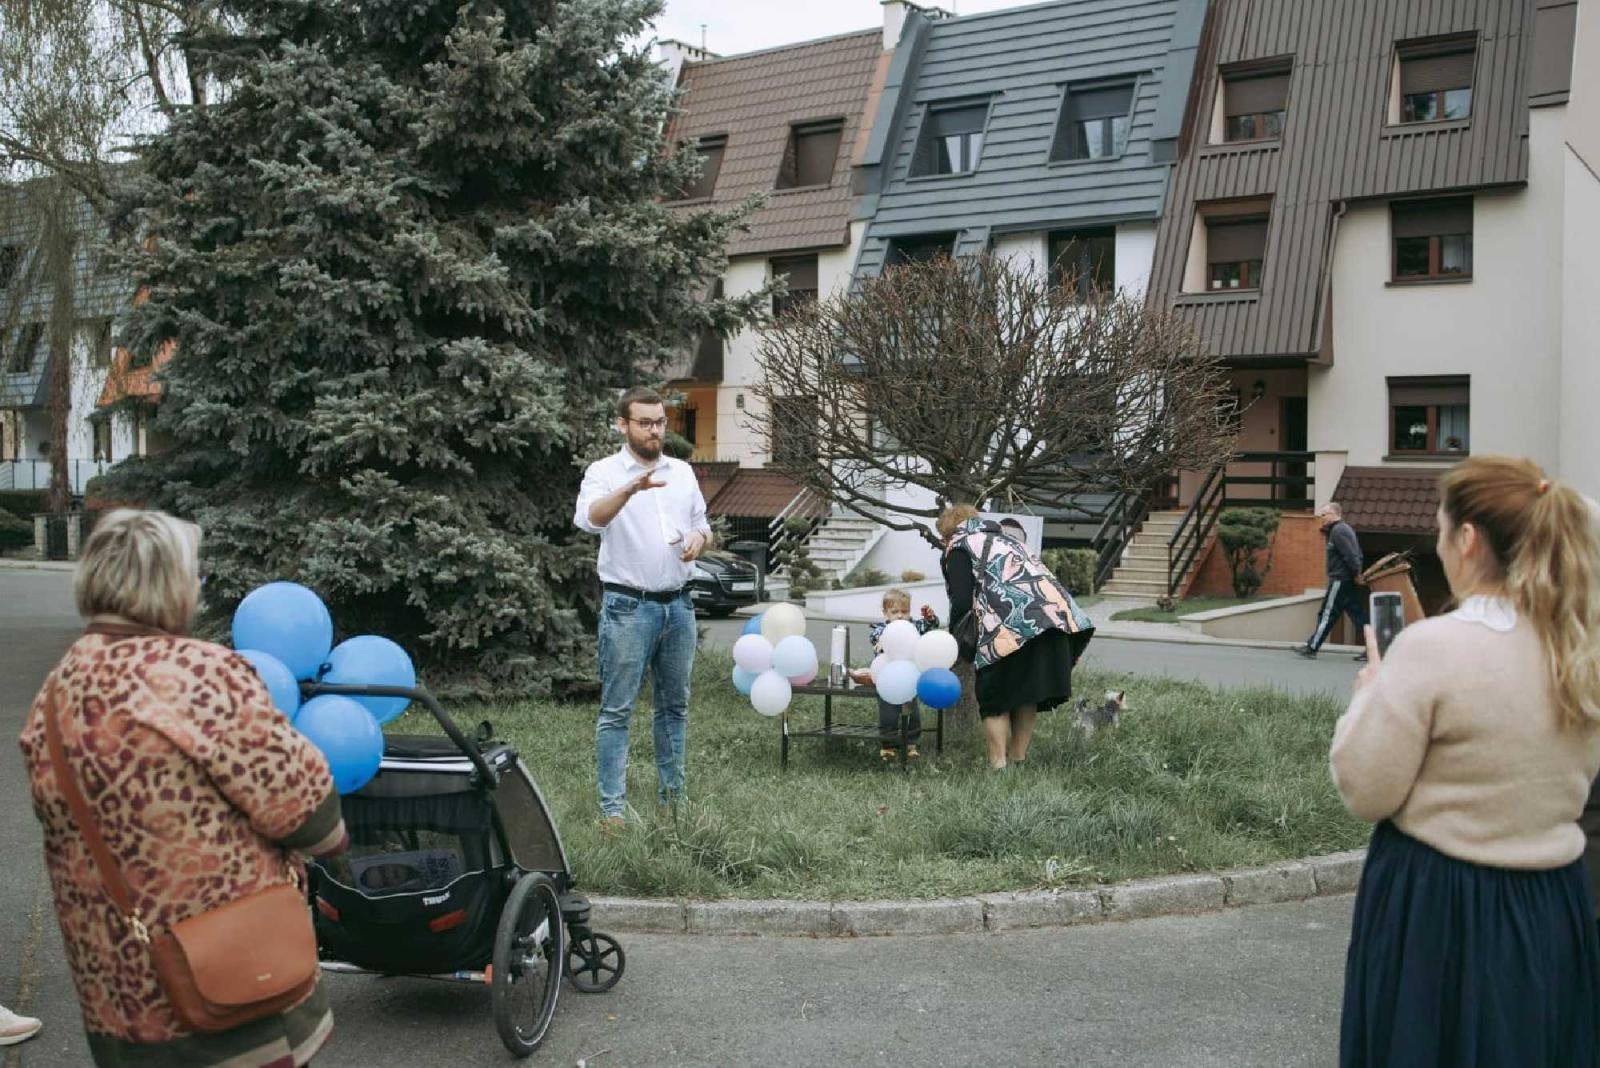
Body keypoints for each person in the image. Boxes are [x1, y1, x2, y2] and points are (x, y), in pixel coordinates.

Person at [17, 509, 348, 1068]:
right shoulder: (199, 673)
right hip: (231, 985)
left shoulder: (55, 692)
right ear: (171, 583)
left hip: (119, 999)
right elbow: (302, 807)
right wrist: (332, 843)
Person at [1329, 456, 1600, 1067]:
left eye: (1442, 529)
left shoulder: (1432, 648)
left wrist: (1371, 692)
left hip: (1438, 903)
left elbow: (1366, 789)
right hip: (1552, 901)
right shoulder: (1578, 647)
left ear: (1469, 539)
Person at [574, 386, 711, 829]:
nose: (655, 431)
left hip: (679, 606)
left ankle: (674, 803)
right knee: (618, 711)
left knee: (674, 708)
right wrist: (630, 488)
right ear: (623, 424)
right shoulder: (604, 471)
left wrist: (699, 539)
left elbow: (702, 525)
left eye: (660, 422)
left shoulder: (682, 472)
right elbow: (590, 519)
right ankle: (612, 811)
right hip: (628, 608)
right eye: (645, 423)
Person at [939, 505, 1094, 770]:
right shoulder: (1008, 540)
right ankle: (1018, 760)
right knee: (1026, 693)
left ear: (948, 531)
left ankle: (998, 765)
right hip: (1053, 623)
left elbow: (962, 600)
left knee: (994, 698)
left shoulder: (960, 546)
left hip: (1008, 628)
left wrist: (956, 637)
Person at [850, 589, 940, 761]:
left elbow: (931, 626)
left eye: (904, 611)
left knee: (912, 713)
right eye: (894, 611)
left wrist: (930, 618)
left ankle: (911, 743)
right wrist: (884, 639)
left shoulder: (913, 627)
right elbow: (876, 638)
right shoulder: (880, 630)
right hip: (887, 680)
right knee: (888, 715)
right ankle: (888, 745)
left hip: (909, 679)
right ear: (886, 613)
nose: (900, 615)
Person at [1297, 501, 1368, 660]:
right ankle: (1375, 648)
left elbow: (1351, 555)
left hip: (1340, 580)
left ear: (1334, 514)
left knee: (1327, 614)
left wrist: (1356, 573)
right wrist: (1356, 573)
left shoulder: (1339, 531)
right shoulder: (1343, 529)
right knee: (1358, 616)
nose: (1322, 517)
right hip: (1346, 580)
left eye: (1324, 514)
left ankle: (1312, 647)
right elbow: (1357, 554)